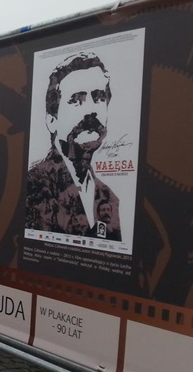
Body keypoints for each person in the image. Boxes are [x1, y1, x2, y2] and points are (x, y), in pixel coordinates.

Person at [25, 52, 121, 240]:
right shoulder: (33, 187)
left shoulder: (108, 196)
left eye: (99, 98)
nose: (92, 110)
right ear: (52, 120)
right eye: (77, 100)